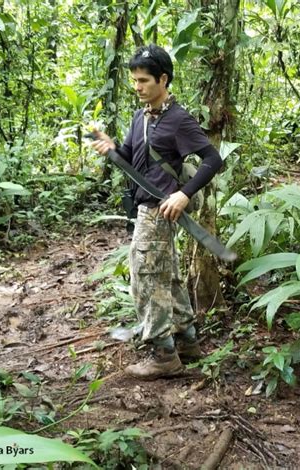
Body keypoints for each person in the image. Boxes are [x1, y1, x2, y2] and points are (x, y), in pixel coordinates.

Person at [91, 44, 223, 380]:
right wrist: (112, 148)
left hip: (159, 210)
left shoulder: (178, 120)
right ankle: (187, 341)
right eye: (134, 80)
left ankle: (163, 355)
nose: (137, 87)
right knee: (165, 276)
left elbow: (212, 160)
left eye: (144, 80)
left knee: (145, 280)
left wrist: (184, 194)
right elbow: (134, 158)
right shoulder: (140, 117)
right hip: (143, 208)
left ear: (163, 79)